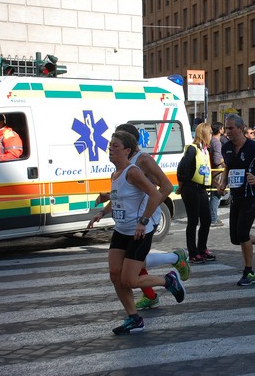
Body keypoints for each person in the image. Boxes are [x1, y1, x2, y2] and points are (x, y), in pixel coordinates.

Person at [87, 131, 186, 335]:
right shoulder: (115, 174)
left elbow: (156, 193)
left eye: (116, 146)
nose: (110, 149)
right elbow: (118, 200)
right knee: (115, 274)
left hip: (138, 232)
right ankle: (134, 318)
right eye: (110, 145)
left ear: (127, 150)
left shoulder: (133, 171)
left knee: (129, 281)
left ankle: (169, 280)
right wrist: (101, 213)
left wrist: (143, 221)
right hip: (121, 231)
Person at [217, 114, 255, 286]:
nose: (227, 132)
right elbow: (228, 167)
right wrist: (223, 183)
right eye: (226, 128)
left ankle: (249, 272)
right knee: (235, 238)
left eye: (231, 128)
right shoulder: (226, 148)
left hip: (252, 195)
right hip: (236, 196)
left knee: (243, 233)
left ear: (241, 128)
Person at [177, 122, 216, 264]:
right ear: (204, 133)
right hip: (191, 188)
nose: (212, 135)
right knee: (193, 221)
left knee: (207, 219)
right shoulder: (192, 149)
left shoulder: (205, 150)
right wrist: (182, 185)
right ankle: (193, 252)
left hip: (201, 188)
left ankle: (202, 248)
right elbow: (182, 168)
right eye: (210, 132)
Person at [209, 122, 225, 227]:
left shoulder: (211, 141)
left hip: (214, 172)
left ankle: (213, 218)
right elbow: (217, 160)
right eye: (223, 128)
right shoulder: (216, 142)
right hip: (217, 172)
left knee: (215, 196)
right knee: (216, 197)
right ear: (220, 130)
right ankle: (213, 219)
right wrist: (227, 159)